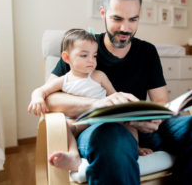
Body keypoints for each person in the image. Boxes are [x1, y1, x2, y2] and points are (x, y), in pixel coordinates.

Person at [46, 0, 192, 185]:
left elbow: (160, 103)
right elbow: (50, 98)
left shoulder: (147, 52)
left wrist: (156, 116)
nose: (125, 28)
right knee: (112, 137)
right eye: (117, 18)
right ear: (103, 13)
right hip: (99, 129)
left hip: (144, 130)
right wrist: (98, 104)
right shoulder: (84, 49)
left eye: (133, 19)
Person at [28, 29, 152, 171]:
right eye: (84, 55)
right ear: (66, 57)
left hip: (101, 119)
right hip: (78, 122)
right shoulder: (64, 80)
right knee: (65, 126)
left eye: (94, 56)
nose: (91, 60)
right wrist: (37, 97)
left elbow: (114, 95)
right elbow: (42, 90)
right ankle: (73, 156)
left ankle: (136, 147)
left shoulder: (99, 76)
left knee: (128, 124)